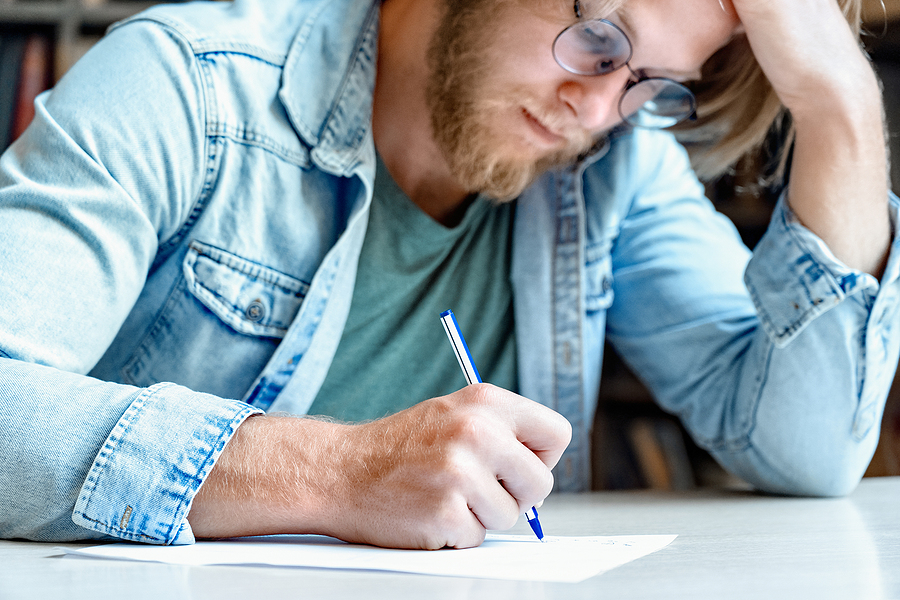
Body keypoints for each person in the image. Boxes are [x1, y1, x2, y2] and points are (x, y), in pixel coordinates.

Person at [0, 0, 897, 550]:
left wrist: (841, 108)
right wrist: (339, 472)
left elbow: (805, 451)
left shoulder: (612, 172)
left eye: (647, 82)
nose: (596, 108)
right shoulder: (184, 87)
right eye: (597, 39)